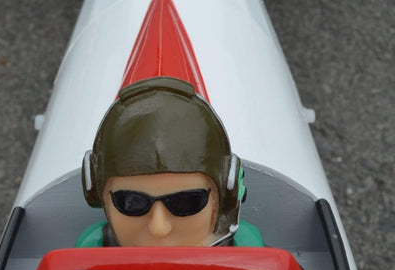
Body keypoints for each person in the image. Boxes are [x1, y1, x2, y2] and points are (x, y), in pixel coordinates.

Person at [78, 75, 263, 248]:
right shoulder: (89, 248)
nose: (159, 229)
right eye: (130, 202)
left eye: (187, 203)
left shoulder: (247, 246)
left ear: (229, 191)